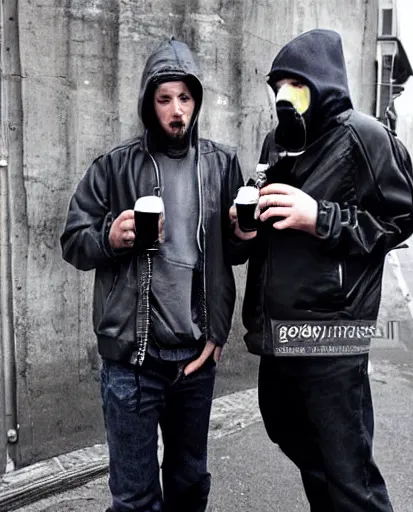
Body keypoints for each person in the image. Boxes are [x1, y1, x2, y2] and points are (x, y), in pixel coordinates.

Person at [230, 29, 413, 511]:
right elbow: (268, 215)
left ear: (322, 83)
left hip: (333, 331)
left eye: (295, 83)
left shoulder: (365, 135)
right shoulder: (276, 142)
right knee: (285, 428)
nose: (283, 94)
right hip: (280, 330)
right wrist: (244, 226)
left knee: (348, 472)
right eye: (278, 85)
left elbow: (401, 217)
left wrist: (321, 217)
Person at [61, 37, 247, 512]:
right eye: (164, 99)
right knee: (134, 499)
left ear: (196, 101)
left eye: (185, 97)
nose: (176, 110)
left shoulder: (222, 165)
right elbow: (73, 242)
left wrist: (218, 330)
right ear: (149, 103)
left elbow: (237, 255)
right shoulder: (114, 165)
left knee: (190, 486)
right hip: (132, 364)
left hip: (194, 359)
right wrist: (110, 236)